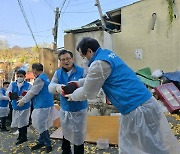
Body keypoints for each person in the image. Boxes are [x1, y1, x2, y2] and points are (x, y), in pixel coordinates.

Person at [65, 37, 180, 154]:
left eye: (83, 56)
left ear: (89, 51)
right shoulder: (108, 55)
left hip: (137, 110)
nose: (84, 60)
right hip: (146, 104)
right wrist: (77, 83)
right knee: (155, 144)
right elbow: (95, 78)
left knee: (138, 147)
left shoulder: (98, 63)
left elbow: (88, 92)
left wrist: (72, 96)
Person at [48, 49, 88, 154]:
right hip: (65, 109)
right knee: (66, 133)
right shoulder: (58, 73)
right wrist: (57, 87)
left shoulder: (82, 71)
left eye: (68, 58)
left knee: (78, 135)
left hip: (79, 109)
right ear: (60, 61)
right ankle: (66, 151)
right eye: (63, 59)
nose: (66, 61)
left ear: (72, 59)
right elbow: (50, 87)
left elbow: (89, 85)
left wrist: (76, 93)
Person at [17, 63, 57, 153]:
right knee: (41, 124)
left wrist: (23, 100)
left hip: (42, 105)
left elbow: (33, 92)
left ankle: (47, 144)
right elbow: (36, 91)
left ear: (34, 70)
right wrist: (27, 94)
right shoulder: (45, 77)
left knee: (42, 125)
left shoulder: (39, 79)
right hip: (46, 104)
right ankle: (41, 141)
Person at [6, 70, 31, 144]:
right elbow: (8, 91)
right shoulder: (13, 84)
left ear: (24, 77)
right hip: (15, 106)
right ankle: (20, 135)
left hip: (24, 106)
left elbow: (30, 94)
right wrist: (10, 94)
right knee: (18, 121)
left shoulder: (28, 85)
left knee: (23, 122)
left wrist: (24, 97)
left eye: (21, 76)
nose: (19, 77)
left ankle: (24, 136)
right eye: (18, 76)